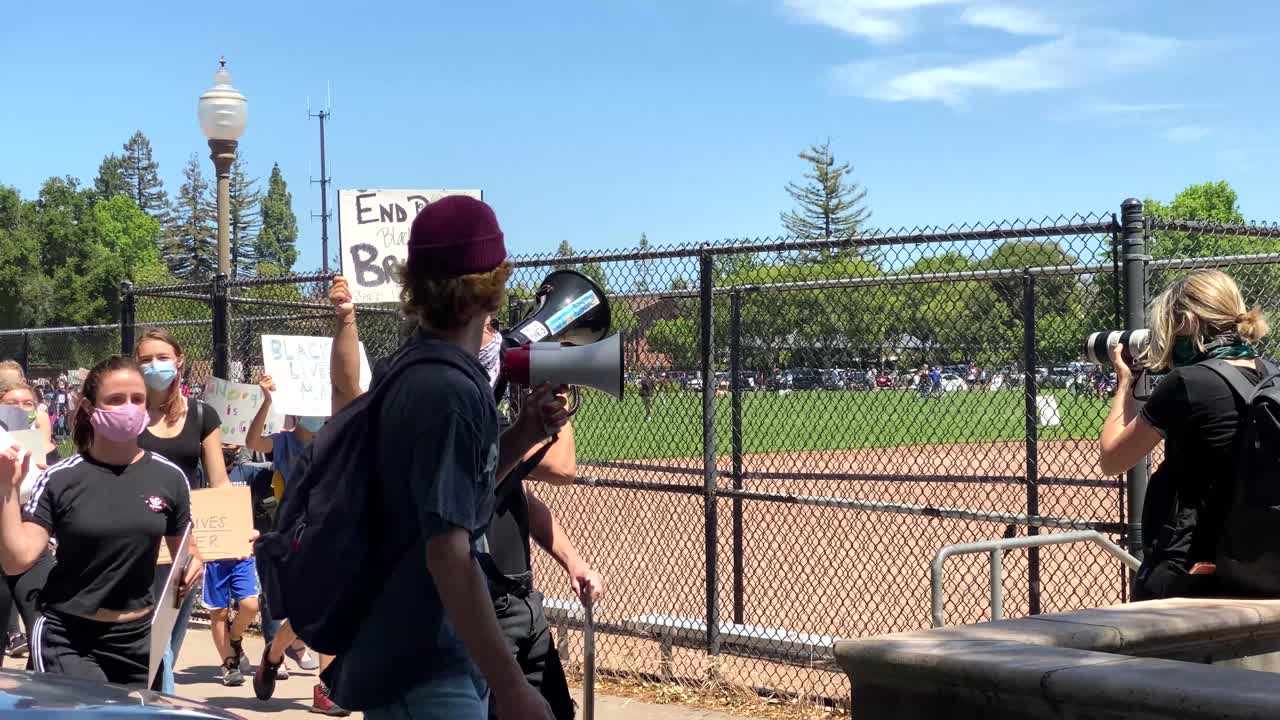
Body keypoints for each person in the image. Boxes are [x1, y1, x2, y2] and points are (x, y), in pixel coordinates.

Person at [321, 196, 564, 719]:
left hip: (411, 656)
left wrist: (521, 435)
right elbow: (448, 553)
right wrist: (514, 688)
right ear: (496, 283)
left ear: (414, 282)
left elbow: (446, 502)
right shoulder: (451, 389)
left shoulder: (410, 368)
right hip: (425, 666)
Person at [0, 356, 203, 687]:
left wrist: (195, 563)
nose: (129, 408)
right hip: (69, 640)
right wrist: (6, 487)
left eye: (137, 399)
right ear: (89, 408)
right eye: (115, 400)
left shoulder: (170, 478)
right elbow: (15, 560)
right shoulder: (60, 479)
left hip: (138, 639)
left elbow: (187, 552)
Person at [1099, 269, 1270, 600]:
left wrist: (1124, 385)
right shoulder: (1272, 374)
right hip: (1259, 567)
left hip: (1189, 568)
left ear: (1189, 321)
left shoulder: (1189, 383)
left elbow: (1112, 459)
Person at [134, 329, 230, 694]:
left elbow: (219, 484)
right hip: (138, 543)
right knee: (155, 650)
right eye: (145, 359)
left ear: (179, 360)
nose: (154, 365)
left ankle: (152, 701)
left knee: (167, 645)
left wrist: (217, 543)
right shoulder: (130, 416)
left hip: (185, 549)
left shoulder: (203, 416)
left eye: (161, 357)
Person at [244, 379, 338, 713]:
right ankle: (273, 654)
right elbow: (253, 441)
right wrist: (267, 401)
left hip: (333, 532)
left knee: (330, 609)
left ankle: (327, 688)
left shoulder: (336, 439)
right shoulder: (285, 443)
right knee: (308, 613)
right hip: (296, 536)